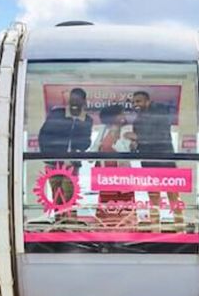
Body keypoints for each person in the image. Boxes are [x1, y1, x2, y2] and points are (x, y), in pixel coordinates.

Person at [127, 90, 181, 228]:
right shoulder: (137, 119)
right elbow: (138, 143)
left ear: (148, 101)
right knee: (153, 198)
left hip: (165, 160)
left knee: (173, 196)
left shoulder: (160, 111)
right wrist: (133, 145)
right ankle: (155, 230)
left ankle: (180, 229)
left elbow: (161, 135)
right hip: (148, 162)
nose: (135, 104)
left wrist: (138, 138)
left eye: (138, 101)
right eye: (133, 102)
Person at [37, 87, 93, 219]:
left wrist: (79, 129)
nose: (74, 102)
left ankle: (68, 222)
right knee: (56, 193)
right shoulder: (57, 113)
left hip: (72, 162)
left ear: (83, 101)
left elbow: (85, 143)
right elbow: (44, 134)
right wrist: (46, 153)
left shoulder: (86, 119)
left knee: (69, 193)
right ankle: (60, 223)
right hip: (53, 160)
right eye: (72, 98)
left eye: (77, 99)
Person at [94, 105, 136, 229]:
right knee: (107, 204)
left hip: (122, 175)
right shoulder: (103, 129)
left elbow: (124, 151)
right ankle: (106, 231)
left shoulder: (127, 129)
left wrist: (116, 137)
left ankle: (126, 230)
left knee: (124, 205)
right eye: (120, 114)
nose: (123, 116)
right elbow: (96, 146)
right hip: (105, 175)